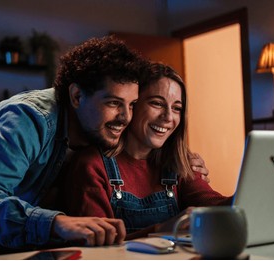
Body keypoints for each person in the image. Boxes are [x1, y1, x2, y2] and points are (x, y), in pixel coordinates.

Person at [0, 36, 150, 259]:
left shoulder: (95, 133)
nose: (126, 116)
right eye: (114, 103)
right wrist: (57, 223)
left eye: (132, 104)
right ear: (77, 96)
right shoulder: (28, 118)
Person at [62, 62, 233, 237]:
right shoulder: (92, 165)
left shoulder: (178, 163)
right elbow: (97, 247)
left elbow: (213, 203)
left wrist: (248, 193)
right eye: (157, 104)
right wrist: (161, 230)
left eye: (177, 108)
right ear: (133, 105)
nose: (168, 117)